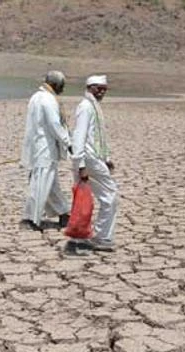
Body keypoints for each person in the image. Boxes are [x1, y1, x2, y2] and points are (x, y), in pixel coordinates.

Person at [70, 75, 118, 251]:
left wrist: (106, 159)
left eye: (104, 88)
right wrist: (81, 165)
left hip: (93, 159)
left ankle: (79, 237)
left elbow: (97, 136)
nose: (102, 91)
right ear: (90, 87)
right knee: (110, 196)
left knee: (84, 199)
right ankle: (102, 237)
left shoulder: (94, 107)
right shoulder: (85, 107)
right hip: (88, 160)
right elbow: (79, 136)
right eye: (99, 88)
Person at [20, 70, 72, 231]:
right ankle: (30, 219)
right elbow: (54, 125)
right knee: (40, 185)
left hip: (38, 147)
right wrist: (68, 142)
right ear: (55, 84)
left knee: (51, 185)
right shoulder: (48, 100)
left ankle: (64, 214)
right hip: (44, 149)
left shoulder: (36, 96)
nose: (62, 90)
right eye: (62, 86)